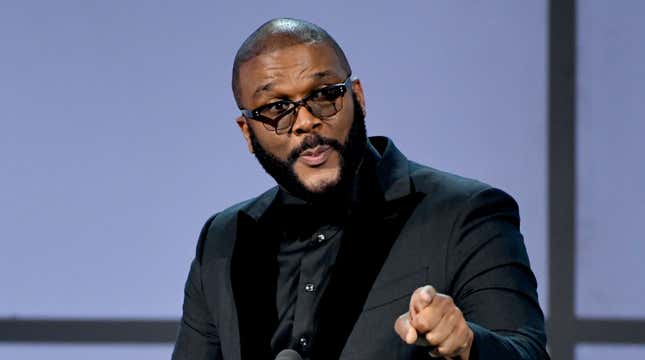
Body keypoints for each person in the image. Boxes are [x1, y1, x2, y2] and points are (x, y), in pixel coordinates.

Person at [172, 18, 549, 360]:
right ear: (247, 133)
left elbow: (527, 353)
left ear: (358, 97)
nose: (305, 122)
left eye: (323, 94)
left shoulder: (465, 213)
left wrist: (469, 344)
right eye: (276, 107)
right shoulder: (223, 239)